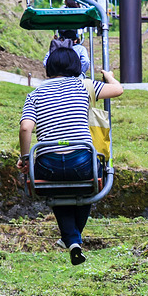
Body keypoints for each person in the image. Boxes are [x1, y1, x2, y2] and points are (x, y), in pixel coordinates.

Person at [18, 39, 123, 265]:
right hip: (82, 161)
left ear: (49, 68)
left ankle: (72, 240)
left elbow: (26, 127)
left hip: (48, 164)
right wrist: (110, 76)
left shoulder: (35, 94)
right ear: (77, 66)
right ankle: (73, 239)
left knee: (58, 194)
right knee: (88, 185)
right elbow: (118, 90)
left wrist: (25, 159)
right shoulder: (83, 86)